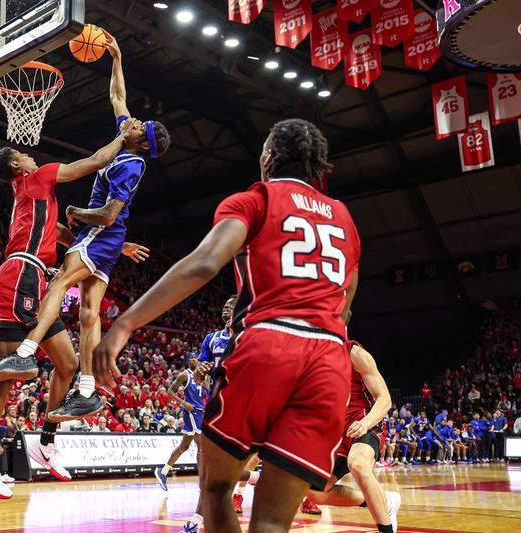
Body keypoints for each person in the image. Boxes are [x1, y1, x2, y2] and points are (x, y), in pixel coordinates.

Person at [93, 118, 360, 533]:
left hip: (271, 341)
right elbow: (344, 309)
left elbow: (203, 263)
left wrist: (125, 324)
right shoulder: (344, 218)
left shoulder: (256, 199)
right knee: (272, 521)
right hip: (329, 359)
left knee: (216, 488)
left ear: (267, 156)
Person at [0, 32, 169, 420]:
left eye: (137, 125)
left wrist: (77, 212)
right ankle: (86, 390)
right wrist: (116, 58)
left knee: (59, 283)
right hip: (106, 240)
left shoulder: (130, 162)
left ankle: (24, 353)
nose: (132, 121)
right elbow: (117, 97)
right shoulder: (127, 140)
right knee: (87, 313)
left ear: (142, 141)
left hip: (101, 232)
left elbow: (108, 216)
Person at [0, 107, 145, 493]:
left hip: (30, 277)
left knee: (68, 363)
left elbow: (61, 233)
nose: (32, 154)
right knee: (7, 376)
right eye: (25, 154)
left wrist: (112, 245)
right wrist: (123, 134)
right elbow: (95, 161)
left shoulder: (32, 196)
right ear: (18, 164)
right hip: (20, 276)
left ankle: (46, 443)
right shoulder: (38, 176)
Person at [305, 341, 401, 533]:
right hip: (335, 432)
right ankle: (384, 500)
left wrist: (365, 423)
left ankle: (386, 530)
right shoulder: (306, 360)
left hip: (363, 420)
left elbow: (384, 398)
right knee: (315, 490)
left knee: (358, 464)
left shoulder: (354, 353)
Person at [154, 355, 210, 491]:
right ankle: (203, 483)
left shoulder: (203, 376)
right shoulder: (185, 375)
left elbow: (207, 392)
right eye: (191, 359)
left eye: (196, 358)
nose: (193, 360)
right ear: (187, 362)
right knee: (201, 447)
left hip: (200, 412)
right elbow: (170, 390)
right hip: (191, 411)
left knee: (184, 446)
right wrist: (183, 403)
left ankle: (163, 472)